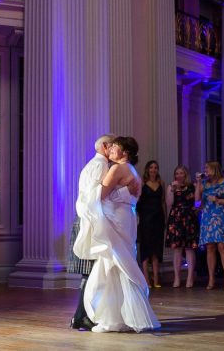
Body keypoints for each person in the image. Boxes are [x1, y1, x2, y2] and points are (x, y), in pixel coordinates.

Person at [82, 136, 160, 333]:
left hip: (116, 219)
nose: (112, 150)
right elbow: (131, 197)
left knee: (114, 264)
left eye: (115, 147)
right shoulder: (133, 171)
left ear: (125, 152)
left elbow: (100, 195)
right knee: (120, 263)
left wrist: (85, 193)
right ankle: (121, 316)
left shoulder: (117, 169)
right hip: (127, 219)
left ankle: (113, 319)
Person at [70, 133, 137, 331]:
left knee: (95, 271)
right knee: (92, 271)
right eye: (113, 145)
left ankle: (84, 315)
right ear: (106, 146)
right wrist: (125, 193)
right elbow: (97, 195)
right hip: (92, 221)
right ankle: (83, 316)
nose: (114, 149)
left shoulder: (101, 165)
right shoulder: (101, 165)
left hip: (98, 219)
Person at [196, 160, 224, 290]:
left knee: (222, 246)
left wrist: (219, 200)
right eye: (205, 168)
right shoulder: (204, 184)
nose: (205, 170)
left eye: (207, 168)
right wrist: (198, 183)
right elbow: (197, 202)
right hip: (207, 217)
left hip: (221, 217)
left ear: (214, 169)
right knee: (210, 247)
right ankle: (211, 278)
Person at [166, 164, 198, 288]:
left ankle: (190, 277)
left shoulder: (192, 186)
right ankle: (177, 278)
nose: (179, 175)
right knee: (177, 249)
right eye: (177, 173)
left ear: (186, 174)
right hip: (176, 218)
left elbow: (198, 201)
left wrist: (197, 208)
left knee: (189, 248)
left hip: (189, 218)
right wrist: (173, 190)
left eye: (181, 173)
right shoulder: (171, 187)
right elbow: (169, 203)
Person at [136, 160, 166, 289]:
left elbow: (163, 202)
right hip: (146, 219)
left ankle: (156, 280)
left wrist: (165, 218)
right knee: (146, 250)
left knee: (156, 250)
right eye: (151, 167)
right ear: (147, 169)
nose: (153, 170)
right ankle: (146, 280)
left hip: (158, 218)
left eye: (156, 168)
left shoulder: (161, 183)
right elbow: (137, 201)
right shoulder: (142, 183)